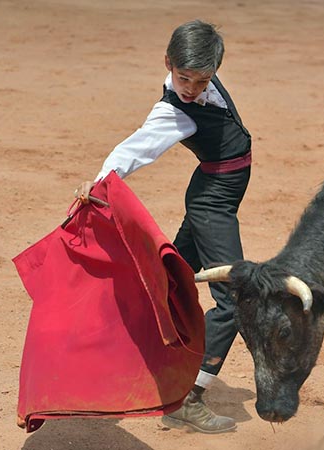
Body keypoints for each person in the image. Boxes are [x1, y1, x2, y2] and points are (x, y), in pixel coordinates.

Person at [75, 20, 251, 434]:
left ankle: (133, 364)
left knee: (172, 283)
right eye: (183, 77)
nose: (191, 88)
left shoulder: (200, 70)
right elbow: (137, 147)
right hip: (213, 203)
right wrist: (101, 181)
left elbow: (201, 52)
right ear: (168, 64)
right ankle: (187, 400)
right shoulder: (174, 111)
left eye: (201, 80)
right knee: (234, 301)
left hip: (212, 195)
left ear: (215, 70)